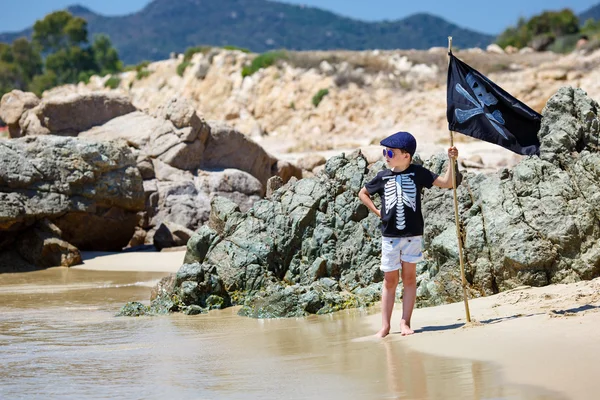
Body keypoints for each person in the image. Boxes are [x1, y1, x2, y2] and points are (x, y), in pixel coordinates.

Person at [358, 131, 459, 338]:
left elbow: (449, 183)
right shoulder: (383, 176)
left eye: (390, 152)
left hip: (413, 235)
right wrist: (377, 211)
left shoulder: (418, 173)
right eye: (385, 151)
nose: (386, 155)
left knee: (410, 278)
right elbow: (363, 193)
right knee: (389, 280)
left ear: (406, 155)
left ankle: (405, 322)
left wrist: (452, 160)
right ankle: (385, 326)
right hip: (390, 236)